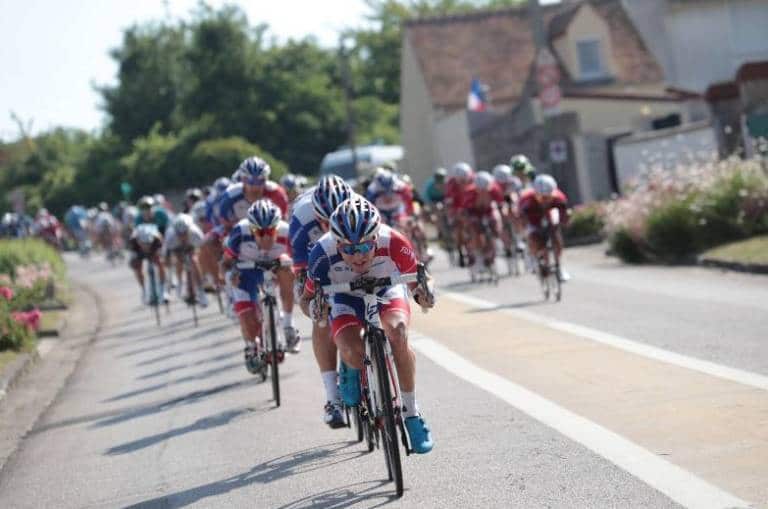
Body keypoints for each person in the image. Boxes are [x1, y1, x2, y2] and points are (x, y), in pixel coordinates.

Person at [301, 196, 435, 454]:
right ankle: (350, 370)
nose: (358, 256)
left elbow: (418, 281)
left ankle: (412, 414)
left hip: (386, 289)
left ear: (376, 238)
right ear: (337, 244)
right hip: (344, 297)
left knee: (398, 333)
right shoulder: (321, 253)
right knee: (352, 351)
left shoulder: (395, 241)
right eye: (349, 250)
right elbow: (306, 300)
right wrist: (315, 309)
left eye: (364, 248)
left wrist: (425, 295)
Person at [290, 174, 353, 428]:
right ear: (317, 217)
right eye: (325, 222)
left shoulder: (358, 206)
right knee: (322, 317)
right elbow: (303, 275)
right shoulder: (301, 220)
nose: (331, 227)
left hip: (353, 259)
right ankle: (332, 397)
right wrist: (316, 300)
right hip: (317, 265)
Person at [221, 200, 298, 373]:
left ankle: (287, 325)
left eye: (270, 231)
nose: (265, 237)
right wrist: (229, 276)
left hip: (273, 267)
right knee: (250, 323)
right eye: (259, 232)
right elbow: (224, 263)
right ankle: (250, 346)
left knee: (288, 271)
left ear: (277, 228)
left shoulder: (288, 233)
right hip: (245, 273)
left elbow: (301, 262)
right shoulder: (239, 232)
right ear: (251, 229)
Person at [518, 174, 570, 281]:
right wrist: (525, 229)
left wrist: (565, 219)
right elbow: (521, 218)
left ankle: (558, 266)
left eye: (548, 196)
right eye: (542, 197)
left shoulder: (559, 197)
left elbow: (564, 214)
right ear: (536, 193)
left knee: (556, 239)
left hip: (549, 216)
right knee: (534, 238)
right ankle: (533, 257)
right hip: (533, 220)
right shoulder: (526, 199)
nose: (545, 200)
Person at [459, 171, 505, 273]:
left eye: (486, 189)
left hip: (489, 211)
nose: (484, 191)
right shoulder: (469, 191)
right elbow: (465, 210)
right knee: (474, 230)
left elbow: (500, 202)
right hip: (475, 213)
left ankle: (497, 238)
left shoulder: (494, 189)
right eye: (481, 190)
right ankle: (478, 254)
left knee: (496, 219)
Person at [163, 214, 209, 307]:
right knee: (178, 260)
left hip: (192, 245)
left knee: (194, 260)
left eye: (185, 233)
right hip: (177, 247)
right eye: (180, 234)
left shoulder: (196, 233)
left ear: (189, 230)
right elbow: (167, 256)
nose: (183, 236)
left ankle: (201, 291)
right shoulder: (170, 236)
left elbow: (203, 250)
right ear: (176, 233)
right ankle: (180, 282)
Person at [128, 223, 168, 304]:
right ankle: (143, 290)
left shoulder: (157, 239)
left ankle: (163, 290)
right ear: (139, 241)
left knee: (160, 263)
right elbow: (132, 262)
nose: (146, 246)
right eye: (144, 244)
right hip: (138, 251)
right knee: (137, 267)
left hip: (154, 249)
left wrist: (162, 258)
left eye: (148, 244)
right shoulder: (133, 241)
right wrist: (134, 264)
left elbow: (164, 254)